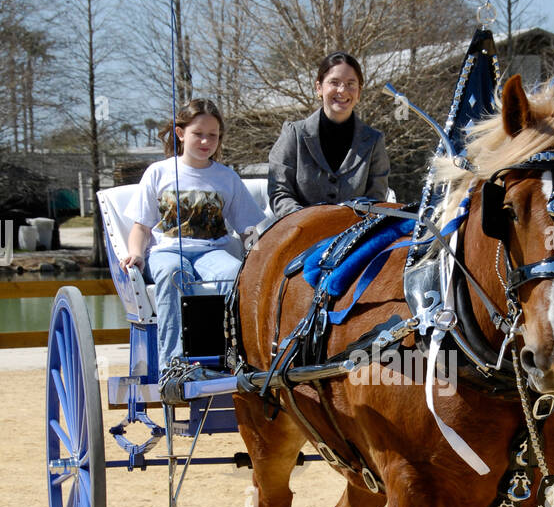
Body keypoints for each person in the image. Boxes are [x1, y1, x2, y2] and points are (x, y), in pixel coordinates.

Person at [122, 98, 262, 401]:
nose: (205, 141)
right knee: (175, 274)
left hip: (214, 250)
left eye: (213, 135)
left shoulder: (226, 177)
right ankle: (174, 366)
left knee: (231, 275)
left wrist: (257, 254)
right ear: (180, 133)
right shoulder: (158, 172)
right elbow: (142, 227)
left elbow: (248, 229)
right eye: (199, 133)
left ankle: (231, 359)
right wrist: (136, 253)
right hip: (169, 251)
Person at [268, 51, 390, 219]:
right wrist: (308, 223)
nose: (342, 90)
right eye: (334, 82)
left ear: (359, 92)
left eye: (350, 83)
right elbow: (279, 192)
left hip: (353, 238)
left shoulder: (374, 141)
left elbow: (376, 201)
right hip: (301, 233)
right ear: (319, 88)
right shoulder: (294, 135)